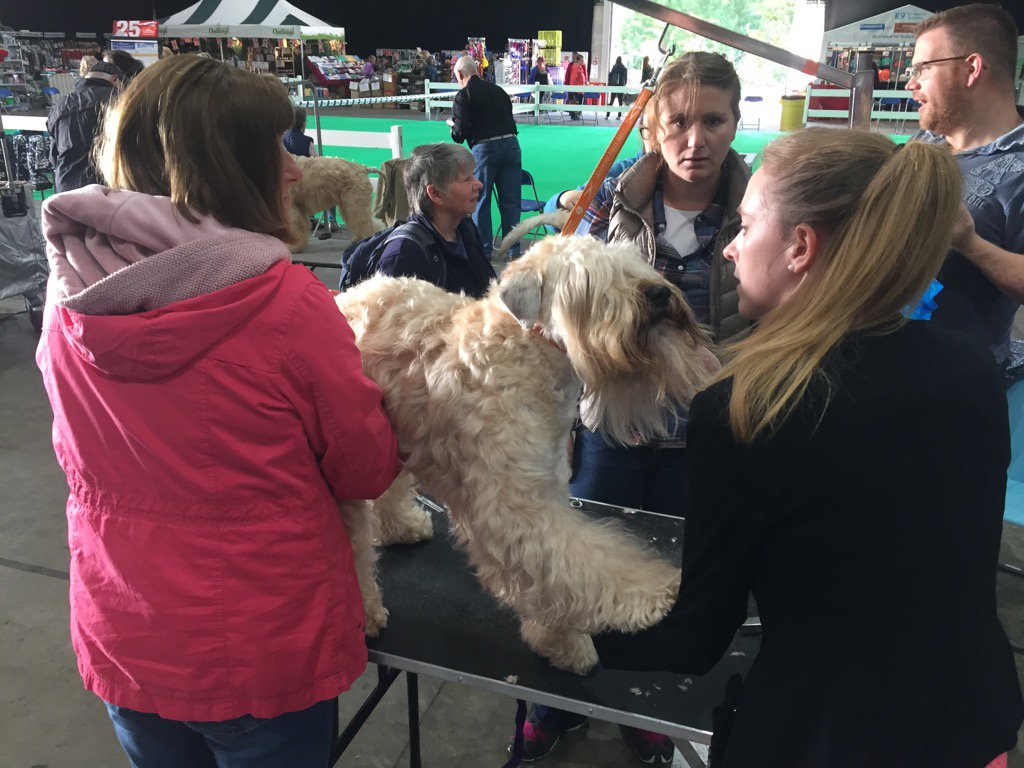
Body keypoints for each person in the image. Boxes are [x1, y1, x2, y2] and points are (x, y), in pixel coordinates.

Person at [594, 126, 1024, 768]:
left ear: (800, 246)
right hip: (972, 723)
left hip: (821, 737)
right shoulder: (971, 368)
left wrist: (557, 623)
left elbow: (694, 639)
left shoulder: (750, 407)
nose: (733, 250)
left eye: (744, 227)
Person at [35, 55, 401, 767]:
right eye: (276, 149)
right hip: (262, 652)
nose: (294, 169)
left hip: (127, 632)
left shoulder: (65, 294)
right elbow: (365, 468)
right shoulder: (287, 304)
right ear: (225, 167)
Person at [514, 51, 750, 765]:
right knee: (569, 576)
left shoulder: (763, 212)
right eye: (678, 121)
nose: (695, 138)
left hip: (705, 442)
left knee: (668, 584)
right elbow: (549, 300)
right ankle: (548, 712)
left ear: (738, 123)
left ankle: (642, 708)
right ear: (651, 127)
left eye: (714, 121)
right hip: (607, 438)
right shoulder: (605, 206)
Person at [907, 3, 1024, 371]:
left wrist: (968, 242)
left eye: (922, 68)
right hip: (885, 356)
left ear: (971, 68)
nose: (911, 83)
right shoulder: (924, 142)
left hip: (957, 381)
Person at [375, 143, 496, 298]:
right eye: (467, 179)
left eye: (473, 175)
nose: (478, 184)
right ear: (436, 194)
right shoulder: (404, 255)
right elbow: (395, 320)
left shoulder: (465, 229)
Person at [450, 54, 522, 260]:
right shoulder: (499, 91)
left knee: (480, 200)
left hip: (485, 150)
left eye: (457, 77)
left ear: (462, 74)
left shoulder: (464, 95)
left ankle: (483, 252)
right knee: (511, 201)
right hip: (511, 145)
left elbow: (460, 133)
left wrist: (452, 128)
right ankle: (514, 250)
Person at [46, 60, 120, 192]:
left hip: (67, 187)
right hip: (106, 188)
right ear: (115, 79)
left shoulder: (61, 104)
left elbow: (53, 155)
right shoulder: (120, 100)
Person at [565, 52, 588, 120]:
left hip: (580, 89)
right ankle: (574, 115)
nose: (583, 61)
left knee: (578, 102)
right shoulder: (576, 67)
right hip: (577, 89)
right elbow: (573, 78)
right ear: (578, 60)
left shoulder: (579, 67)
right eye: (581, 60)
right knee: (576, 102)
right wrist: (572, 88)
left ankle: (576, 114)